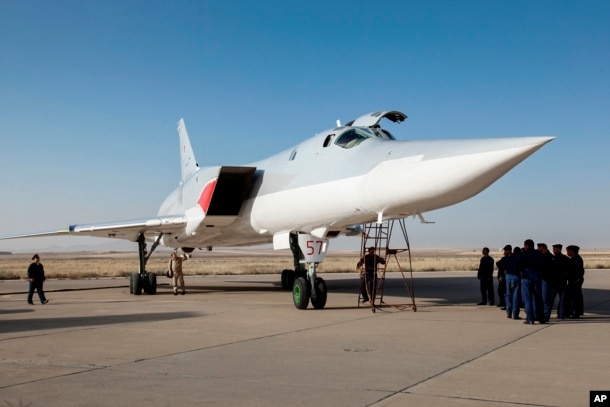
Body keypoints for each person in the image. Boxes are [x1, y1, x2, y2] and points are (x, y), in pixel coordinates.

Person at [518, 239, 544, 324]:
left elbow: (518, 265)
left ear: (527, 245)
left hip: (526, 278)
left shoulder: (523, 254)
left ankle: (530, 318)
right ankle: (540, 318)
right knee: (538, 298)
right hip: (537, 277)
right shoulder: (539, 254)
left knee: (528, 299)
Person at [563, 245, 585, 319]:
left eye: (568, 251)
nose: (567, 252)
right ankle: (573, 312)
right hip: (574, 280)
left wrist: (577, 279)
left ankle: (576, 312)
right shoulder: (574, 259)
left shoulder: (576, 259)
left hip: (575, 281)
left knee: (575, 297)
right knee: (573, 297)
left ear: (572, 251)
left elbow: (580, 271)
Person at [537, 243, 555, 322]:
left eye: (539, 248)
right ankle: (542, 315)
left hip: (547, 280)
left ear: (542, 248)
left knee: (546, 299)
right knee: (541, 299)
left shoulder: (550, 257)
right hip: (541, 279)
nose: (537, 249)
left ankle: (546, 315)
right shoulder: (542, 256)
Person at [551, 244, 569, 319]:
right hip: (563, 281)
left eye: (554, 249)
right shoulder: (565, 258)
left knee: (550, 299)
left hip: (555, 282)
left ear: (558, 249)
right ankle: (561, 314)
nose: (553, 250)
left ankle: (546, 315)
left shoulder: (553, 258)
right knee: (562, 299)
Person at [504, 246, 522, 319]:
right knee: (516, 296)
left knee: (508, 295)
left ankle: (508, 312)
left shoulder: (508, 258)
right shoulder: (519, 258)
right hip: (516, 276)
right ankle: (515, 314)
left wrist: (506, 268)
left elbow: (499, 263)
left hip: (508, 277)